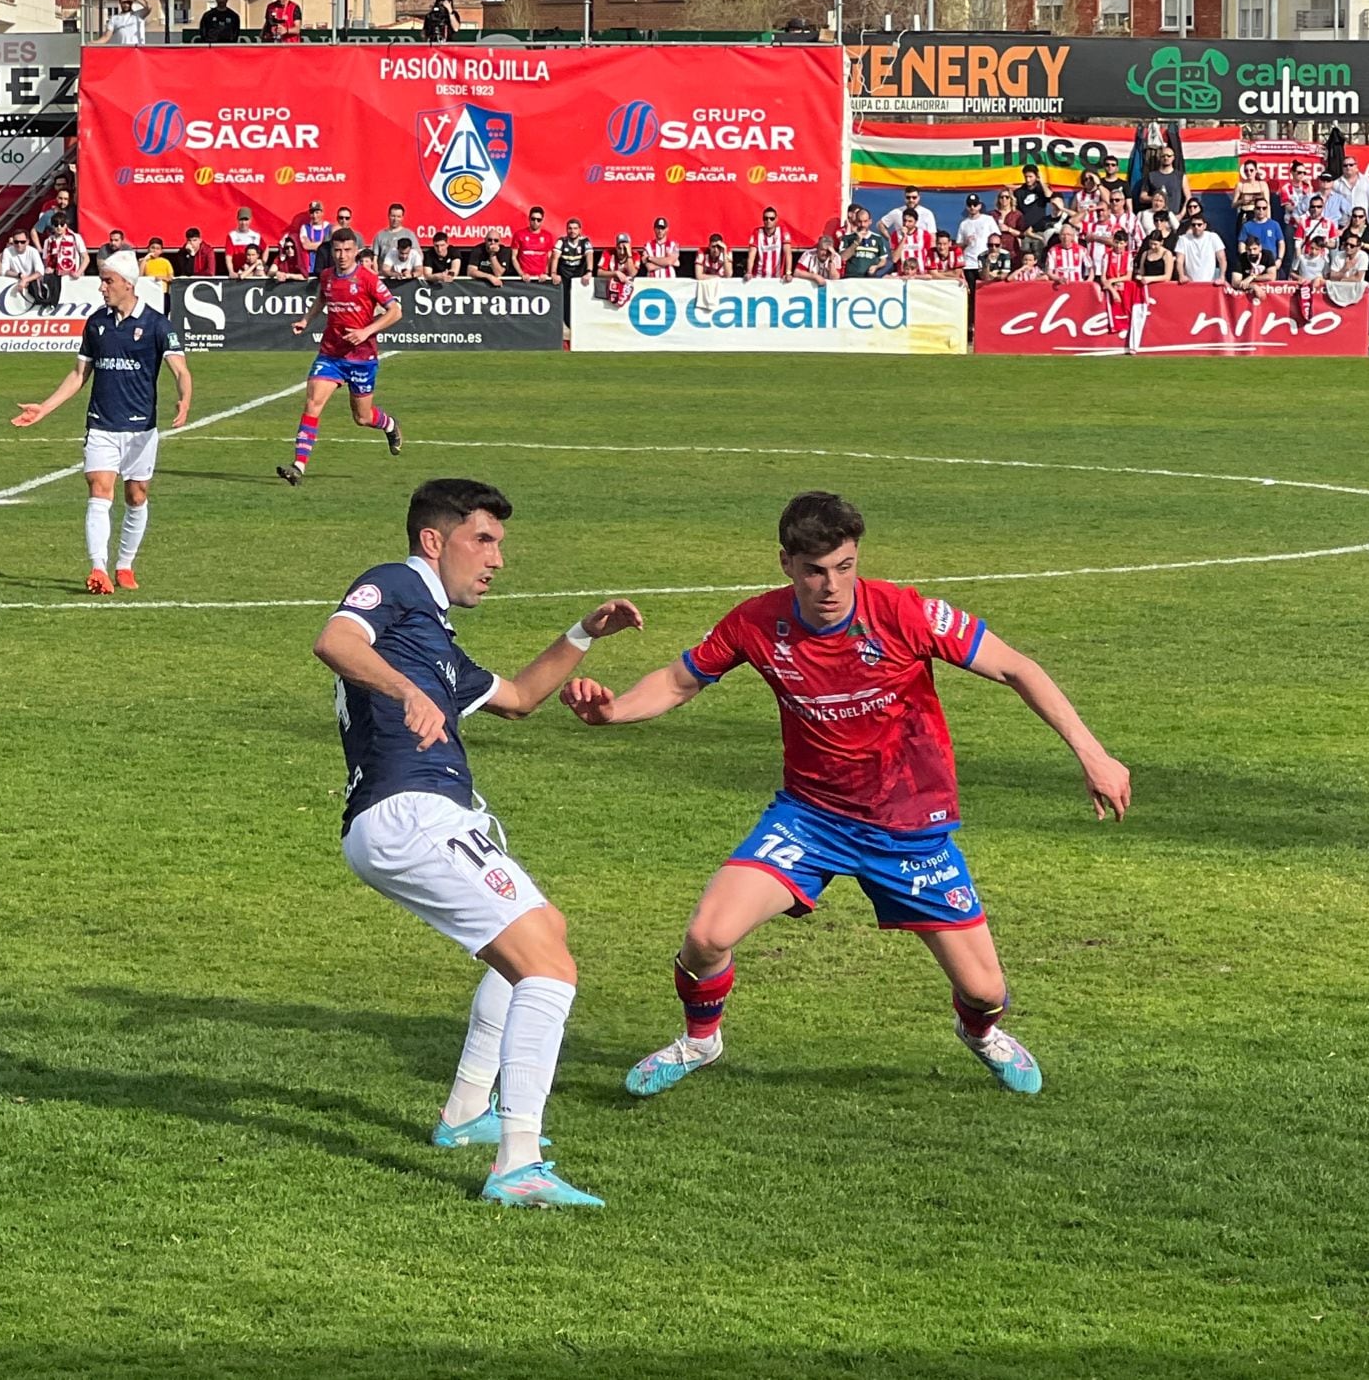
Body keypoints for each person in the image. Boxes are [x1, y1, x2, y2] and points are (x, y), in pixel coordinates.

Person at [557, 491, 1130, 1099]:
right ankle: (701, 1041)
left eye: (844, 567)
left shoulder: (905, 613)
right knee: (706, 937)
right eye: (814, 571)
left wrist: (1093, 754)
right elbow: (677, 681)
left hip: (909, 826)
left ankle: (980, 1034)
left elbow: (1018, 667)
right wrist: (613, 712)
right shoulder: (755, 623)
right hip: (811, 820)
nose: (831, 586)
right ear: (786, 564)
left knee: (986, 990)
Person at [315, 478, 646, 1207]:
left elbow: (521, 699)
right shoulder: (396, 584)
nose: (497, 558)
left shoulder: (433, 636)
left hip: (429, 816)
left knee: (542, 936)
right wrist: (405, 692)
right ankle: (517, 1163)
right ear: (435, 541)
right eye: (484, 540)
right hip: (407, 813)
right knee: (549, 970)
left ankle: (466, 1112)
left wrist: (586, 632)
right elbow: (335, 639)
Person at [10, 252, 194, 593]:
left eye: (108, 281)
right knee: (99, 489)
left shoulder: (156, 324)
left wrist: (185, 396)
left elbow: (180, 369)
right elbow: (80, 373)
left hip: (141, 428)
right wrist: (45, 408)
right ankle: (99, 569)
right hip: (101, 425)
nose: (102, 287)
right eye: (102, 280)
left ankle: (124, 565)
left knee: (136, 495)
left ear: (128, 283)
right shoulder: (96, 323)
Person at [275, 228, 405, 486]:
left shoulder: (367, 278)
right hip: (331, 354)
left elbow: (396, 311)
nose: (342, 255)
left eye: (347, 250)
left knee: (363, 418)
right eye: (337, 250)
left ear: (356, 251)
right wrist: (306, 320)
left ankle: (390, 425)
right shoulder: (326, 276)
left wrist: (365, 331)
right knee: (313, 403)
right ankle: (298, 465)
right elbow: (321, 299)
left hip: (361, 356)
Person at [1173, 212, 1226, 284]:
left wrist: (1222, 277)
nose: (1196, 227)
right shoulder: (1183, 239)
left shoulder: (1213, 237)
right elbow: (1179, 260)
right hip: (1190, 283)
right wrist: (1181, 276)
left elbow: (1222, 259)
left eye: (1199, 224)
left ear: (1204, 226)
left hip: (1210, 282)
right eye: (1193, 225)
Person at [839, 209, 890, 278]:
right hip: (851, 278)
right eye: (860, 221)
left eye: (865, 221)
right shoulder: (847, 238)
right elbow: (843, 257)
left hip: (869, 279)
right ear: (856, 221)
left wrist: (876, 267)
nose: (862, 225)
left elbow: (883, 260)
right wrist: (856, 242)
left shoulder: (878, 239)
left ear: (870, 221)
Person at [0, 228, 43, 300]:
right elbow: (4, 271)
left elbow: (40, 272)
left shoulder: (33, 251)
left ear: (27, 242)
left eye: (22, 242)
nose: (19, 244)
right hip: (13, 286)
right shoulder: (7, 251)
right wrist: (19, 275)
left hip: (31, 285)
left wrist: (25, 280)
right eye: (16, 242)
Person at [513, 207, 555, 282]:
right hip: (524, 279)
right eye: (533, 219)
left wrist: (546, 273)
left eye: (539, 220)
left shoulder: (548, 236)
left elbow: (550, 258)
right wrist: (521, 274)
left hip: (542, 279)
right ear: (529, 218)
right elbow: (513, 257)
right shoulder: (519, 234)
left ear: (542, 220)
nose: (535, 222)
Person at [746, 208, 790, 279]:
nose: (768, 221)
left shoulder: (782, 231)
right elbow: (751, 254)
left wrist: (788, 272)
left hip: (777, 278)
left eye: (771, 218)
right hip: (758, 277)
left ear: (776, 219)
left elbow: (788, 253)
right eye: (765, 218)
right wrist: (749, 272)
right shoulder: (757, 232)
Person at [296, 201, 331, 276]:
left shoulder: (329, 227)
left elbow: (331, 246)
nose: (314, 215)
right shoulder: (305, 228)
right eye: (312, 213)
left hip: (327, 267)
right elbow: (306, 246)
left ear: (322, 213)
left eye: (317, 212)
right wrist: (324, 245)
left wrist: (313, 245)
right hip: (310, 268)